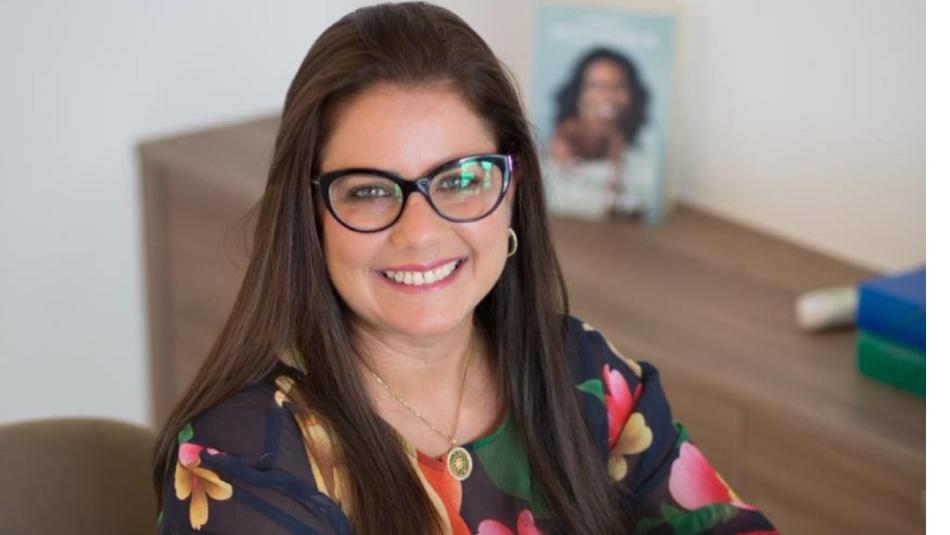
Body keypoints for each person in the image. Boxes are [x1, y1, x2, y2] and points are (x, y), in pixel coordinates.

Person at [154, 3, 778, 534]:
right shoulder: (243, 462)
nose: (420, 232)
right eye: (368, 191)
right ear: (308, 213)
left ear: (513, 190)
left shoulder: (585, 376)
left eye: (459, 180)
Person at [546, 48, 651, 216]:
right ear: (578, 93)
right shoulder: (564, 133)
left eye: (618, 86)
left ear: (633, 94)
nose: (607, 96)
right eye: (595, 86)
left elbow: (617, 197)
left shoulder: (637, 158)